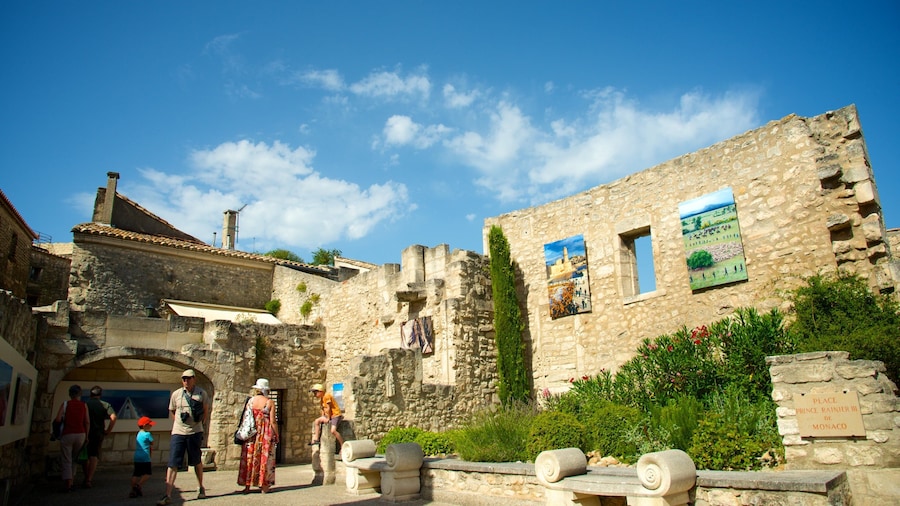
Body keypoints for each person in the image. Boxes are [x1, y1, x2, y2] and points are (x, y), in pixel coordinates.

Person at [157, 369, 210, 505]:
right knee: (173, 462)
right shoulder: (176, 394)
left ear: (194, 379)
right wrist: (178, 421)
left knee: (196, 460)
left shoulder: (201, 393)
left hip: (195, 431)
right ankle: (168, 494)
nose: (186, 381)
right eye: (184, 379)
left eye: (188, 378)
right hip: (179, 432)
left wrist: (201, 423)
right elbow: (172, 410)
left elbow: (205, 410)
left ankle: (201, 487)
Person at [237, 378, 279, 494]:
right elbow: (273, 421)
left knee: (249, 457)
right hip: (265, 433)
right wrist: (276, 434)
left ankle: (247, 485)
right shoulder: (269, 402)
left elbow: (246, 417)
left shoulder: (250, 401)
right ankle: (264, 485)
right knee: (265, 458)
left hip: (251, 432)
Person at [54, 384, 90, 492]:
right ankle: (72, 481)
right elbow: (87, 421)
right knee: (74, 459)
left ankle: (68, 483)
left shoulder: (65, 404)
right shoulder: (83, 405)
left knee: (66, 459)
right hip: (81, 434)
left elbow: (58, 419)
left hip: (68, 433)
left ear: (70, 394)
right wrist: (87, 436)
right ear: (79, 394)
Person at [83, 385, 117, 488]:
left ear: (90, 394)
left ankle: (86, 476)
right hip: (98, 433)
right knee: (94, 455)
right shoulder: (105, 405)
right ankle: (89, 479)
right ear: (100, 395)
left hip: (85, 432)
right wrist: (108, 430)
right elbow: (113, 417)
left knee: (85, 455)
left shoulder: (86, 404)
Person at [308, 383, 344, 451]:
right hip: (329, 416)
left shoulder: (327, 396)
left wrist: (328, 418)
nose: (314, 395)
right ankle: (316, 438)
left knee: (333, 431)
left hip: (335, 415)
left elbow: (328, 408)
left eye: (315, 393)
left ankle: (342, 444)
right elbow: (323, 409)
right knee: (317, 421)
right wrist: (323, 417)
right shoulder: (322, 398)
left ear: (320, 391)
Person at [129, 416, 155, 498]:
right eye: (149, 425)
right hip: (145, 456)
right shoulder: (147, 434)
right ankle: (138, 485)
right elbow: (152, 443)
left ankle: (133, 490)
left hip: (137, 456)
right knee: (147, 473)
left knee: (136, 473)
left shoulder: (139, 433)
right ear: (144, 425)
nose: (151, 426)